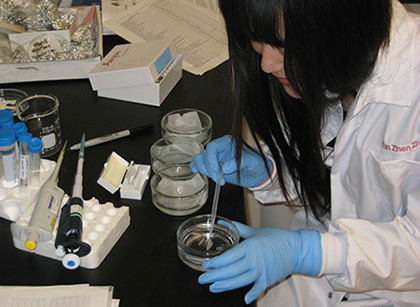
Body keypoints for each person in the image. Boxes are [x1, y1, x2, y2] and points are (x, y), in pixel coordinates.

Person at [190, 0, 420, 306]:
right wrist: (270, 173)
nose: (267, 65)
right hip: (314, 282)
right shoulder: (327, 64)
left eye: (282, 48)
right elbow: (343, 183)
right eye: (260, 40)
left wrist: (309, 252)